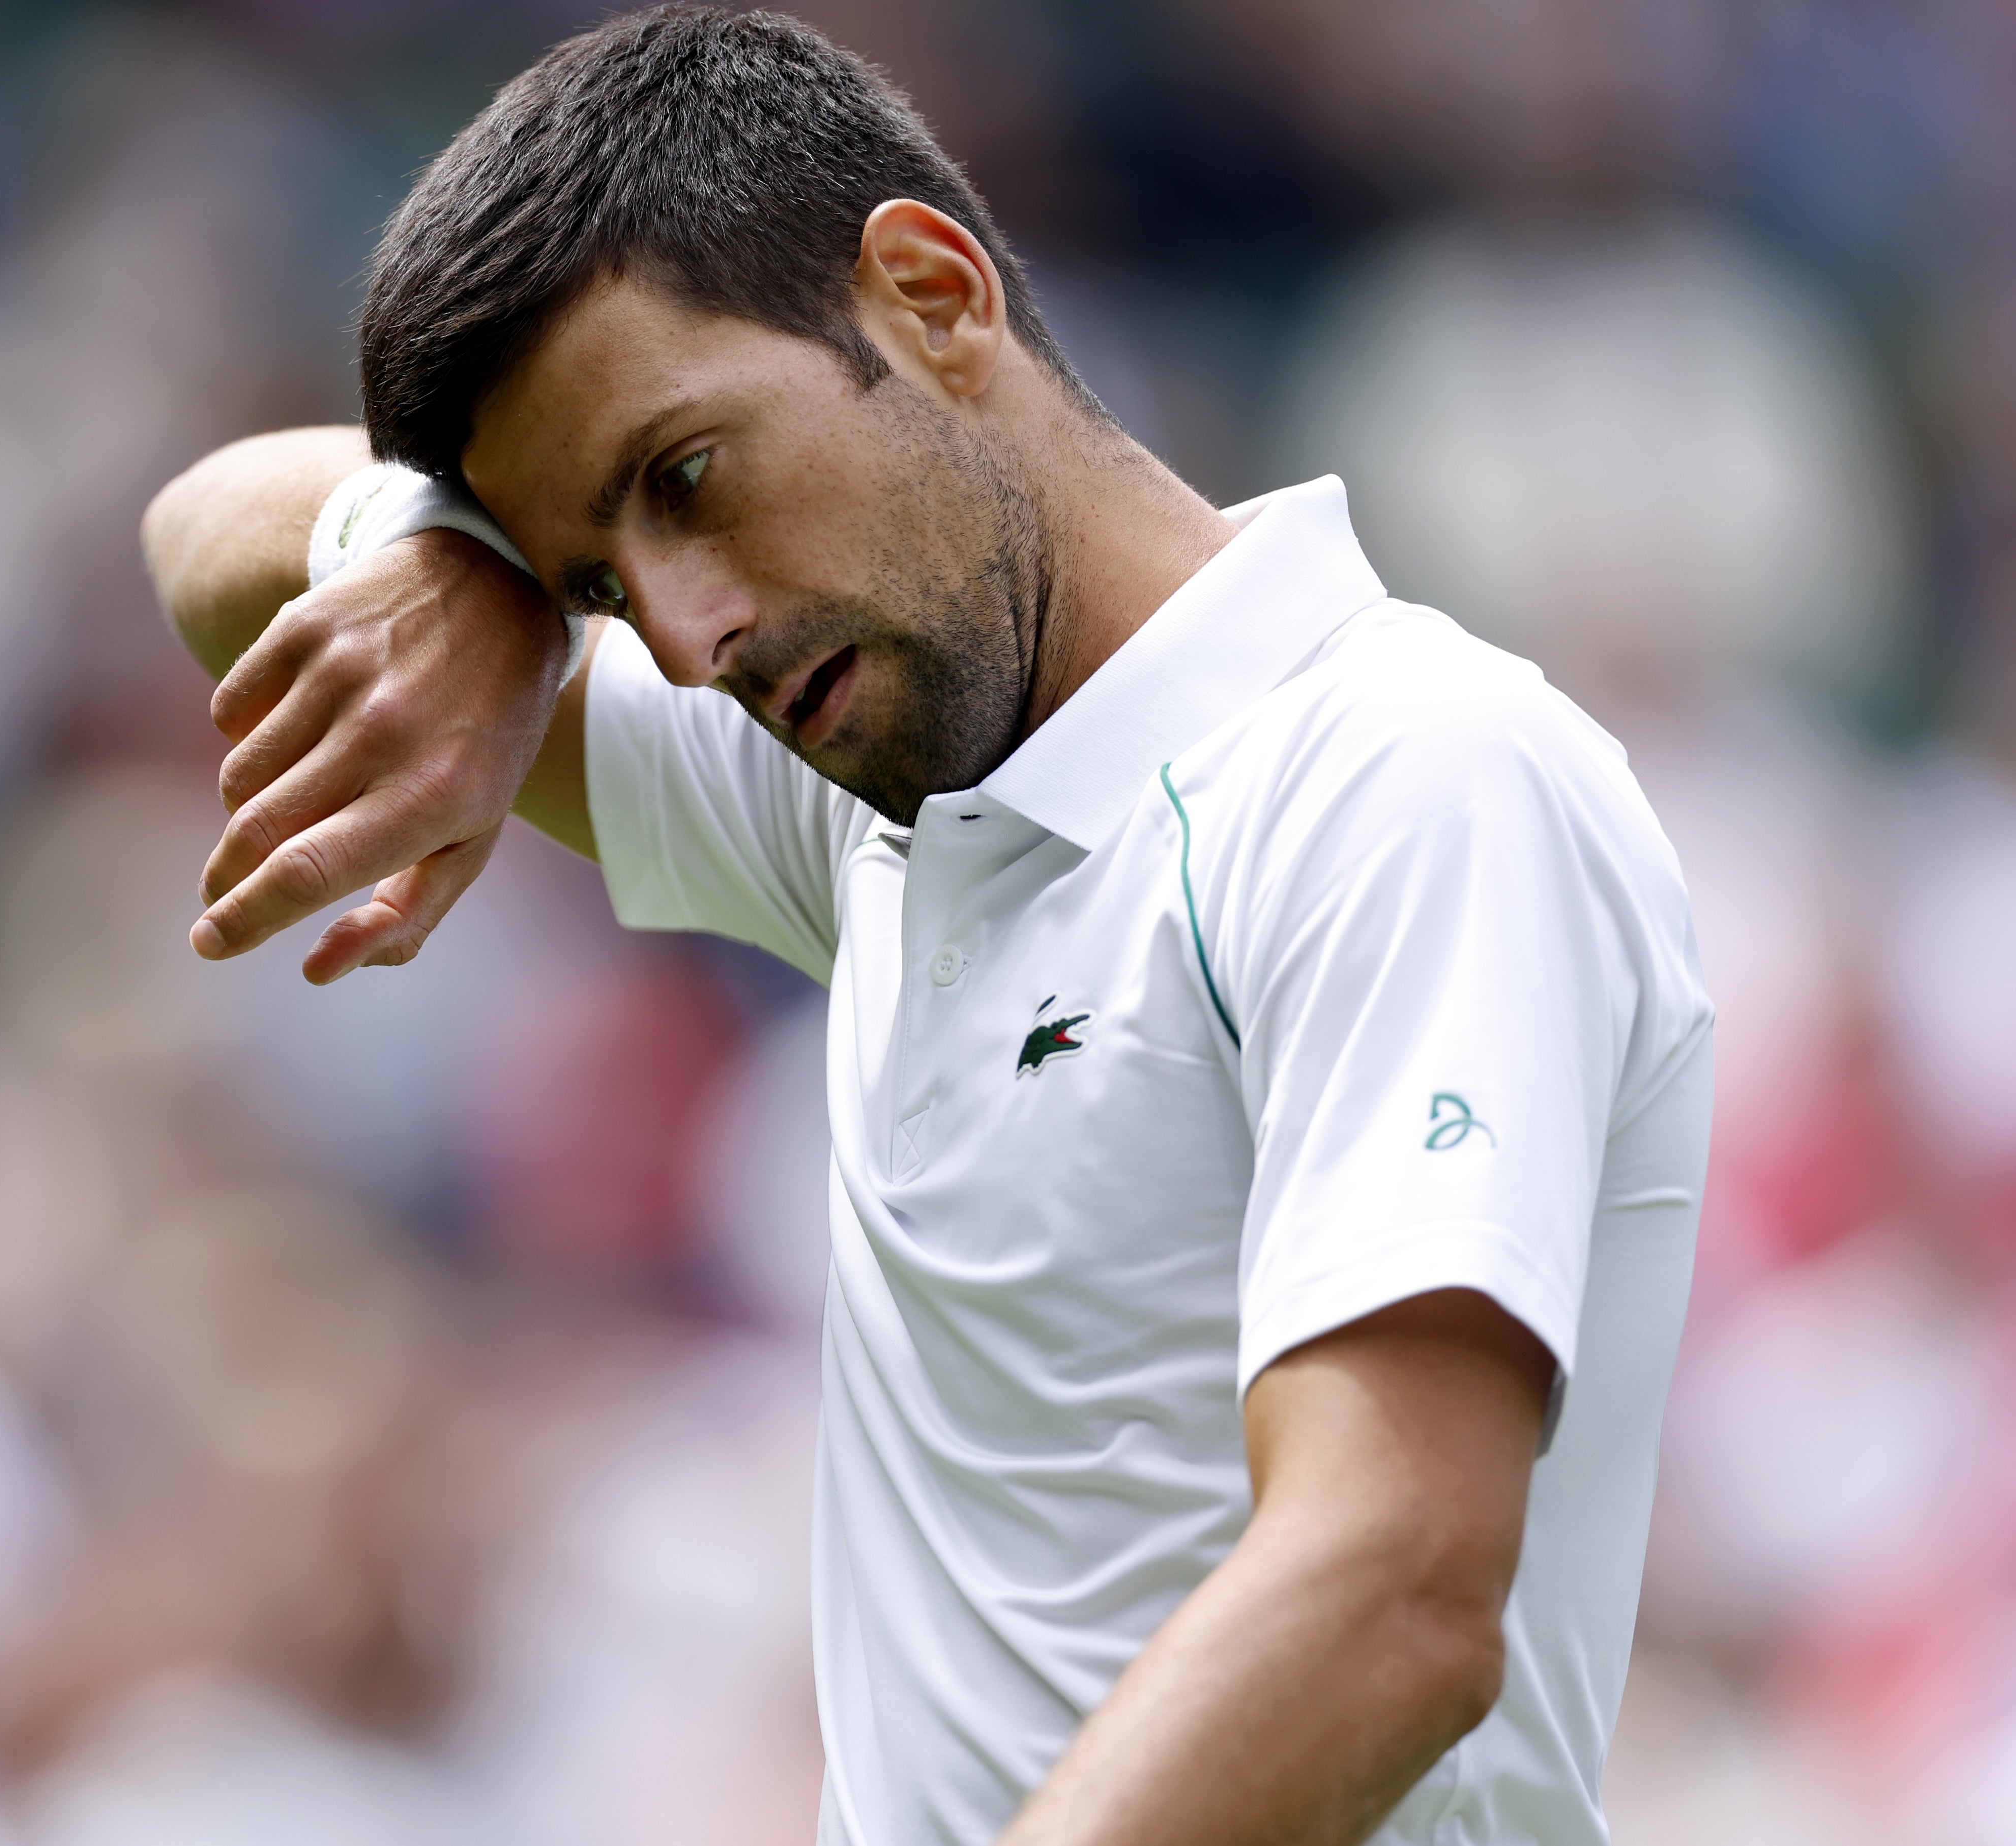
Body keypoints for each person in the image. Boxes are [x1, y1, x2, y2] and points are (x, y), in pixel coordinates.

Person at [138, 10, 1713, 1844]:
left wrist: (534, 574)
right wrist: (463, 581)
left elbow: (1396, 1594)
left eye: (685, 475)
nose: (683, 632)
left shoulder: (1413, 776)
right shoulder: (867, 772)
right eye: (601, 577)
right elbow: (205, 536)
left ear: (931, 295)